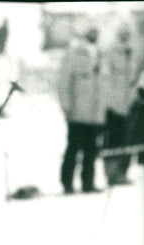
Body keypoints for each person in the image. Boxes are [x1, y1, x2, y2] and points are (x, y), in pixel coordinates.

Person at [57, 24, 104, 194]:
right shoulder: (73, 54)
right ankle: (67, 182)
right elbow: (63, 82)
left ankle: (88, 183)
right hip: (76, 111)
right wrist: (66, 105)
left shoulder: (100, 54)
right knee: (73, 147)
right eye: (91, 31)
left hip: (94, 113)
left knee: (92, 149)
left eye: (96, 31)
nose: (94, 34)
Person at [101, 22, 136, 186]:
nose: (125, 36)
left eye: (127, 33)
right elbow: (106, 79)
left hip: (128, 103)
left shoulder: (132, 52)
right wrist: (113, 103)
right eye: (123, 33)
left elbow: (133, 79)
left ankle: (122, 172)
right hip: (114, 106)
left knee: (126, 140)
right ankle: (111, 173)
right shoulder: (111, 51)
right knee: (113, 140)